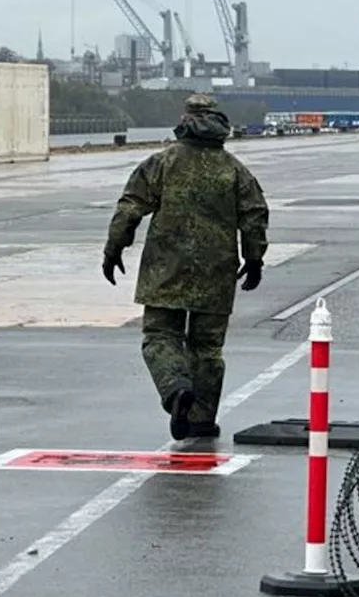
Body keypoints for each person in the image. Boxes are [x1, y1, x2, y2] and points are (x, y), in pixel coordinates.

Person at [102, 93, 269, 441]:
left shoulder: (161, 163)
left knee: (160, 335)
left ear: (184, 119)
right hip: (216, 271)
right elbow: (254, 215)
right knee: (207, 348)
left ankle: (175, 388)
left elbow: (130, 207)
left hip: (166, 270)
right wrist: (254, 258)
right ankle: (201, 420)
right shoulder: (233, 169)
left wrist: (113, 249)